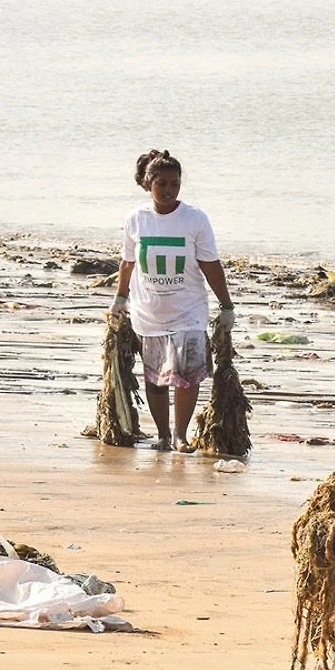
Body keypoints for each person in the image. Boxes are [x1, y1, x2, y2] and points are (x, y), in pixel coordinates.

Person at [110, 149, 235, 453]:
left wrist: (226, 305)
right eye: (162, 184)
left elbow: (210, 264)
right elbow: (128, 262)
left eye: (174, 184)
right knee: (155, 379)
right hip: (149, 312)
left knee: (187, 374)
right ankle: (163, 435)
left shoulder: (194, 219)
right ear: (148, 183)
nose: (168, 191)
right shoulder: (136, 219)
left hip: (188, 310)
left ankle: (180, 435)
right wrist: (120, 298)